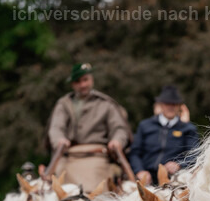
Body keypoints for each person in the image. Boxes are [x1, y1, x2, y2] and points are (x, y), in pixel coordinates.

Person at [46, 62, 130, 190]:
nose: (83, 85)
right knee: (53, 185)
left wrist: (117, 141)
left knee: (96, 186)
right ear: (72, 84)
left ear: (92, 80)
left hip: (96, 156)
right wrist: (59, 140)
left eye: (85, 80)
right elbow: (56, 127)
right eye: (78, 82)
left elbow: (119, 128)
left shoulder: (105, 104)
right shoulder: (63, 104)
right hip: (68, 155)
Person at [129, 85, 198, 185]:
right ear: (161, 105)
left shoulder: (188, 129)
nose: (170, 107)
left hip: (174, 179)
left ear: (179, 106)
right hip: (147, 178)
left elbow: (194, 155)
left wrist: (179, 164)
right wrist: (139, 171)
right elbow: (135, 153)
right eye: (167, 103)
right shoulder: (145, 126)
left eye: (174, 104)